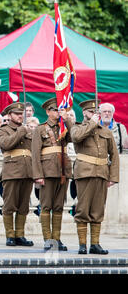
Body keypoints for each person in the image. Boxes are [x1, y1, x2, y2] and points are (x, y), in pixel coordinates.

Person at [71, 99, 119, 255]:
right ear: (84, 113)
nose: (94, 115)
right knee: (83, 209)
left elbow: (114, 155)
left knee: (98, 210)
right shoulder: (78, 127)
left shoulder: (106, 131)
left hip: (102, 173)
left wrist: (113, 176)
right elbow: (77, 138)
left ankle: (95, 244)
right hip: (85, 173)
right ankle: (82, 244)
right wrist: (91, 123)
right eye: (91, 112)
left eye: (95, 112)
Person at [31, 97, 73, 251]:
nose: (58, 112)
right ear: (48, 112)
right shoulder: (40, 129)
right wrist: (38, 175)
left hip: (62, 170)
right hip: (47, 172)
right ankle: (48, 239)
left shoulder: (64, 127)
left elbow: (75, 136)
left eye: (60, 109)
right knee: (46, 206)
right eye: (55, 110)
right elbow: (35, 154)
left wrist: (67, 119)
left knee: (59, 207)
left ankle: (57, 238)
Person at [0, 102, 34, 247]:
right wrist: (20, 132)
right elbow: (6, 144)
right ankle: (10, 235)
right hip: (12, 171)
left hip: (27, 171)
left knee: (23, 205)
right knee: (9, 205)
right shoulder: (4, 130)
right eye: (17, 114)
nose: (20, 116)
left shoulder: (27, 130)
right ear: (9, 115)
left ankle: (20, 234)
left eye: (21, 114)